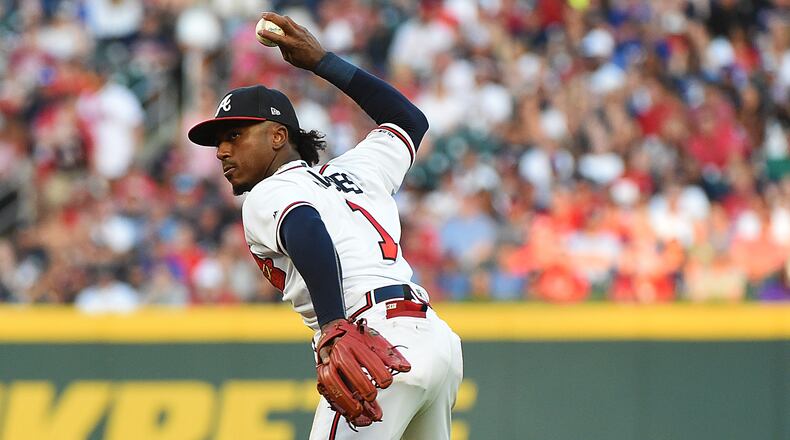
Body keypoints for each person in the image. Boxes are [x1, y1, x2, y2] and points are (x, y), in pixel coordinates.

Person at [187, 12, 463, 440]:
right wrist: (324, 62)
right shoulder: (357, 170)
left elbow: (304, 224)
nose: (222, 150)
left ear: (279, 136)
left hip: (374, 339)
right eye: (219, 141)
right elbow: (409, 121)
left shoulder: (270, 192)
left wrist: (335, 324)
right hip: (435, 343)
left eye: (236, 135)